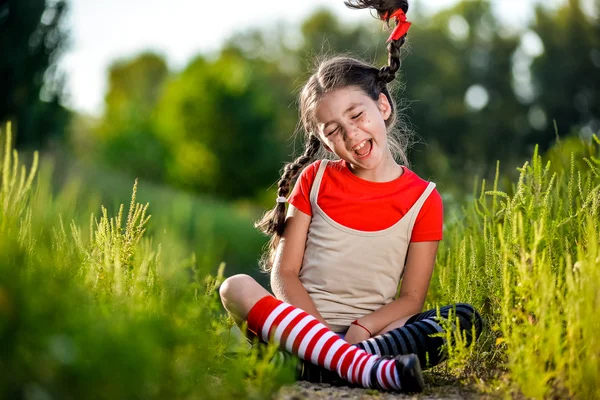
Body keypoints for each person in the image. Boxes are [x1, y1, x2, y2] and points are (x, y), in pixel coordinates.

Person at [219, 0, 483, 393]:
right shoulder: (314, 180)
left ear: (382, 105)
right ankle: (349, 366)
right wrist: (320, 338)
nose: (352, 134)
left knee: (463, 318)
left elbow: (411, 299)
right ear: (324, 141)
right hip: (304, 332)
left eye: (356, 115)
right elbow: (284, 274)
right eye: (334, 130)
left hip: (372, 336)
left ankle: (325, 365)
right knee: (235, 287)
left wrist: (362, 329)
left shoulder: (424, 199)